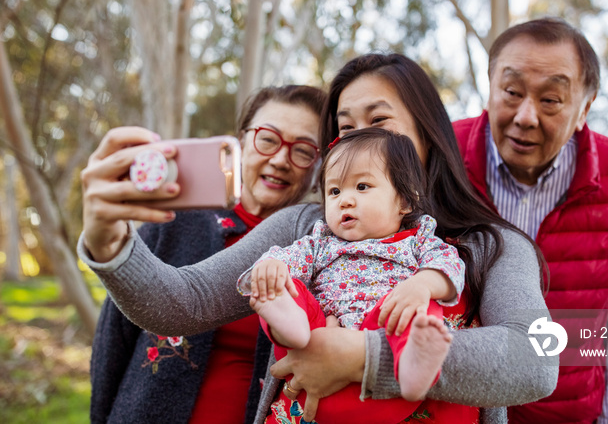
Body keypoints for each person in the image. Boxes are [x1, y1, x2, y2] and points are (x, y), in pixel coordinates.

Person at [78, 53, 558, 424]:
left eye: (377, 122)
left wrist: (363, 357)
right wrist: (108, 240)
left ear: (428, 136)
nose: (357, 142)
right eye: (344, 130)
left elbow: (537, 359)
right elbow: (182, 303)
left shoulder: (488, 245)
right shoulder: (307, 227)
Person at [452, 17, 608, 424]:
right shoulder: (442, 157)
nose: (526, 116)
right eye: (511, 92)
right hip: (458, 408)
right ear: (490, 87)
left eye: (551, 100)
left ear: (584, 109)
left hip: (568, 411)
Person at [88, 85, 327, 424]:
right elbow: (113, 340)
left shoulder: (318, 253)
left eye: (303, 150)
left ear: (317, 165)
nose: (280, 159)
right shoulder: (174, 221)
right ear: (241, 141)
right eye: (268, 139)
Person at [246, 128, 466, 410]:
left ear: (404, 201)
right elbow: (285, 259)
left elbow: (449, 264)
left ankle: (413, 365)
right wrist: (272, 268)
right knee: (282, 286)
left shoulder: (418, 240)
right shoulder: (320, 243)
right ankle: (289, 325)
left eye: (362, 187)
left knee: (418, 308)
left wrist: (422, 284)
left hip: (382, 337)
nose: (345, 200)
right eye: (334, 191)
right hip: (316, 342)